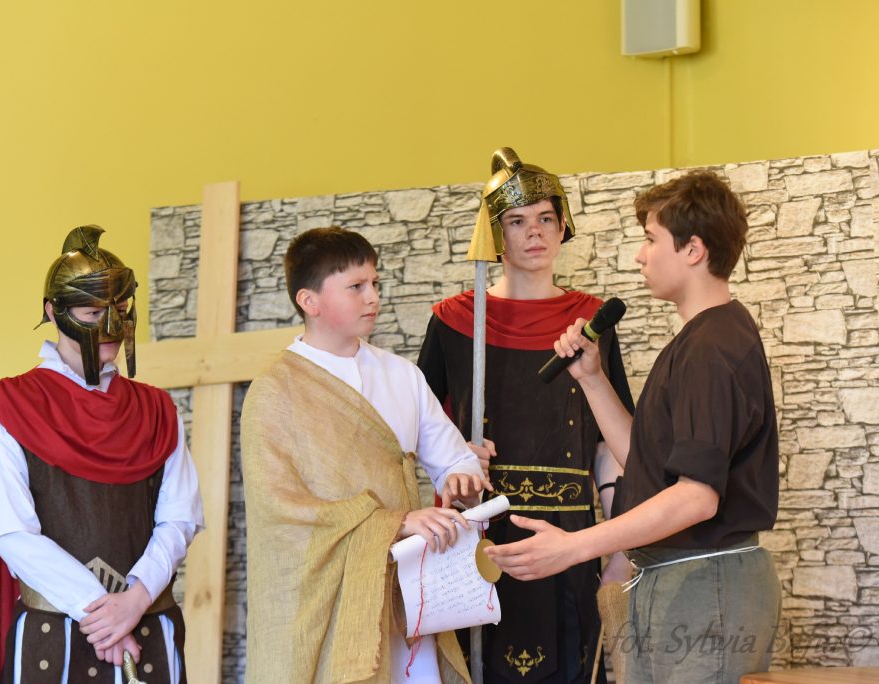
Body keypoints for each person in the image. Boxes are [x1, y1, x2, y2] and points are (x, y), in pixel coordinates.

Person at [485, 171, 782, 683]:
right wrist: (592, 379)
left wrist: (576, 546)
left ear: (693, 250)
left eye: (650, 240)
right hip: (680, 581)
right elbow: (647, 465)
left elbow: (696, 497)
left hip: (705, 586)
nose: (640, 256)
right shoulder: (699, 339)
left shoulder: (713, 349)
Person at [418, 148, 634, 684]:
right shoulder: (453, 322)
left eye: (545, 219)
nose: (534, 232)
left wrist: (622, 545)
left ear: (563, 227)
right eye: (516, 221)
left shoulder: (590, 323)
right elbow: (412, 433)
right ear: (497, 235)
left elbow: (610, 446)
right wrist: (452, 459)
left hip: (571, 533)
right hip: (480, 529)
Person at [241, 226, 493, 684]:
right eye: (356, 286)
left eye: (375, 283)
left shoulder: (402, 375)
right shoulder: (275, 391)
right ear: (309, 301)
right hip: (325, 602)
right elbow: (279, 509)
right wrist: (394, 522)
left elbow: (454, 459)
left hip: (404, 588)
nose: (373, 297)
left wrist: (461, 478)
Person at [0, 225, 204, 684]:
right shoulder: (9, 405)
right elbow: (9, 530)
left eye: (120, 310)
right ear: (53, 312)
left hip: (147, 624)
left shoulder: (157, 409)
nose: (111, 325)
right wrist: (104, 618)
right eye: (94, 311)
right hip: (52, 634)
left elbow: (179, 518)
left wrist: (133, 602)